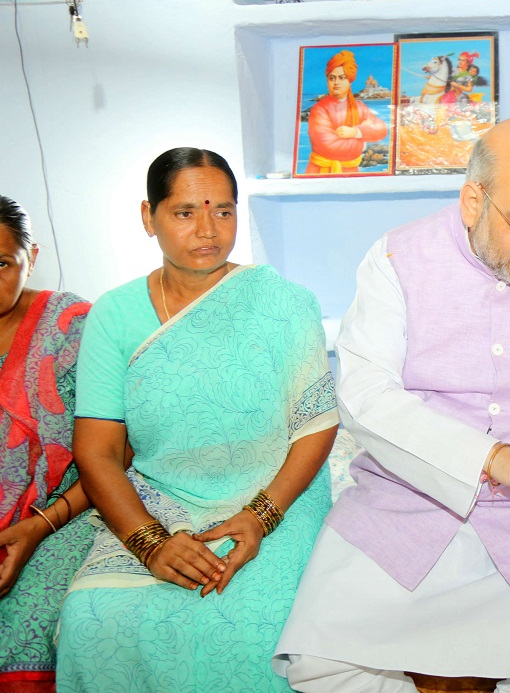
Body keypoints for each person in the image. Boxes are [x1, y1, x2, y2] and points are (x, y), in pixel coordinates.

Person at [275, 118, 510, 693]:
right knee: (318, 667)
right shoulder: (396, 259)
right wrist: (488, 457)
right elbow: (365, 392)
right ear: (474, 200)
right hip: (409, 507)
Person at [55, 148, 338, 692]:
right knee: (92, 620)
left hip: (276, 498)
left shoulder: (284, 303)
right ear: (148, 217)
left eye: (224, 211)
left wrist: (261, 516)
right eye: (186, 212)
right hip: (161, 500)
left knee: (259, 629)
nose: (209, 229)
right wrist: (151, 543)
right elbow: (98, 451)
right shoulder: (114, 315)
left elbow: (315, 425)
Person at [0, 196, 94, 693]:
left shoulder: (70, 327)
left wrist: (37, 527)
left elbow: (113, 454)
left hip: (67, 508)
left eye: (1, 263)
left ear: (31, 257)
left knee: (25, 629)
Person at [305, 50, 390, 175]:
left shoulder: (359, 107)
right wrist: (363, 143)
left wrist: (355, 132)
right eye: (332, 78)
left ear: (349, 80)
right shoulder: (320, 109)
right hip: (321, 173)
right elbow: (329, 147)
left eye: (342, 78)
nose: (336, 83)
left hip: (352, 172)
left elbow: (382, 129)